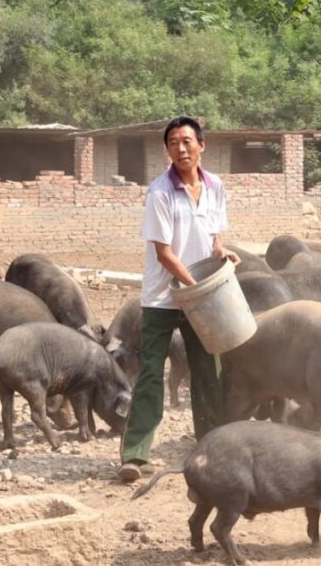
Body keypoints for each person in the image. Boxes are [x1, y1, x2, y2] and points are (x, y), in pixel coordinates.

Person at [118, 116, 240, 483]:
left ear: (202, 145)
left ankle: (212, 447)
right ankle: (135, 455)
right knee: (151, 375)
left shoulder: (215, 186)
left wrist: (223, 253)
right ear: (167, 150)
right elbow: (165, 254)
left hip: (200, 297)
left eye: (187, 141)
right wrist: (195, 289)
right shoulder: (159, 193)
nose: (181, 148)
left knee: (207, 372)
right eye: (173, 142)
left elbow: (213, 237)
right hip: (163, 298)